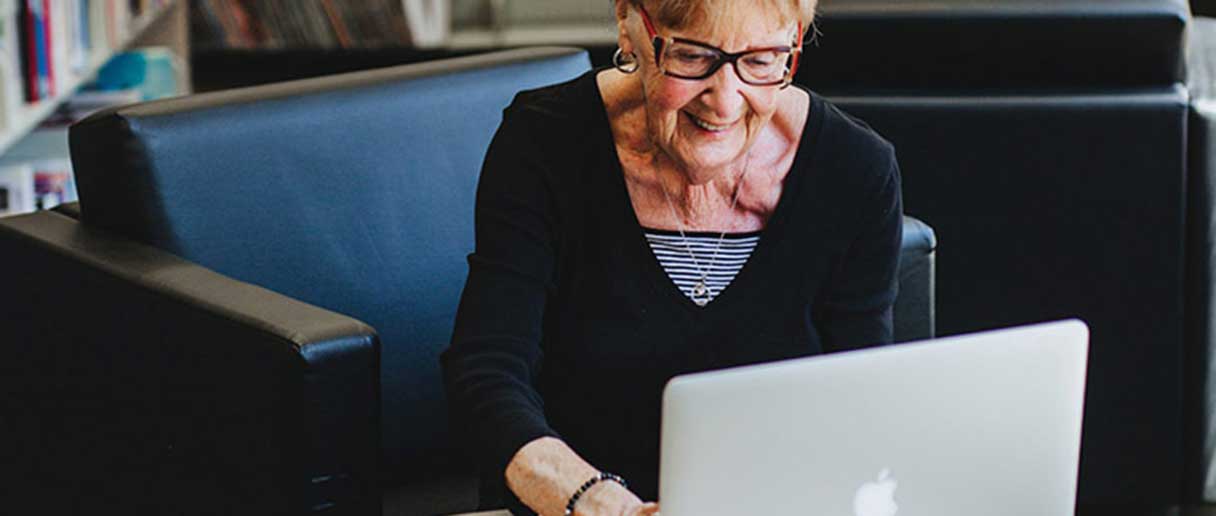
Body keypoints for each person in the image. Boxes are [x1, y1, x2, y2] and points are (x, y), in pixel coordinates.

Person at [441, 0, 902, 514]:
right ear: (628, 24)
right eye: (692, 56)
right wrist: (596, 502)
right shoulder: (545, 141)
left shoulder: (854, 169)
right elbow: (488, 372)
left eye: (761, 60)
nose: (724, 102)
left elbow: (860, 402)